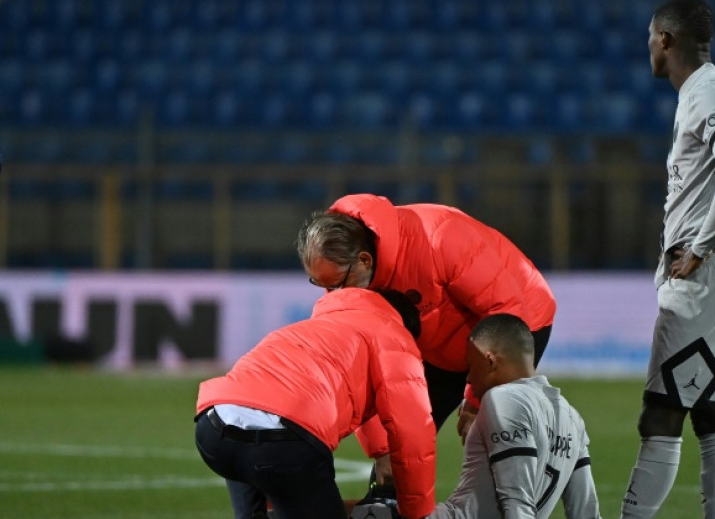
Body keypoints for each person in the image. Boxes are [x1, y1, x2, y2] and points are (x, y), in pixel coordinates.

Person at [295, 193, 557, 487]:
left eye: (337, 285)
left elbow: (507, 313)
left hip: (515, 326)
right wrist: (385, 448)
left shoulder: (441, 238)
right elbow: (362, 368)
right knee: (400, 453)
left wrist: (475, 398)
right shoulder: (350, 274)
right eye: (321, 285)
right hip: (439, 349)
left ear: (364, 260)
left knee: (497, 439)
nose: (333, 297)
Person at [620, 0, 715, 519]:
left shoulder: (708, 92)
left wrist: (699, 246)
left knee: (661, 411)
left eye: (649, 37)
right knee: (709, 407)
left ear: (665, 40)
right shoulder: (713, 91)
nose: (648, 47)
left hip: (710, 267)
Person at [194, 288, 436, 519]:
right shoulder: (396, 337)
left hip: (213, 427)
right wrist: (415, 510)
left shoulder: (319, 327)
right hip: (280, 441)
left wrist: (381, 451)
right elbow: (413, 432)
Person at [351, 314, 600, 519]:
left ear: (490, 361)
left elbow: (516, 501)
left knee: (332, 509)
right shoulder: (572, 417)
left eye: (471, 366)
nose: (468, 379)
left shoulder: (504, 399)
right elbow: (585, 511)